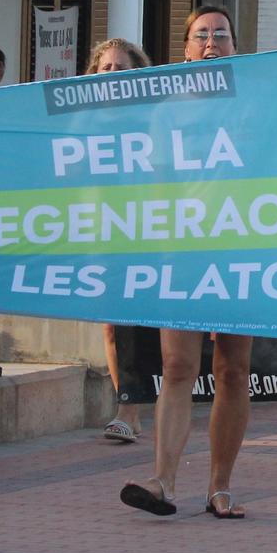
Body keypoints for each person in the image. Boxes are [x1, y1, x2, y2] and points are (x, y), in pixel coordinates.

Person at [120, 6, 258, 519]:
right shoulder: (166, 109)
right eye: (201, 34)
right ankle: (163, 481)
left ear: (235, 47)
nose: (211, 42)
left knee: (232, 368)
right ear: (185, 48)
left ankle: (220, 486)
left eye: (222, 33)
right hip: (181, 250)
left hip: (242, 245)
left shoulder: (252, 101)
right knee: (177, 365)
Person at [88, 37, 155, 445]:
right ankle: (128, 405)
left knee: (132, 318)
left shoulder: (151, 120)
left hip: (143, 231)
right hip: (99, 230)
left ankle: (128, 409)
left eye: (122, 69)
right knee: (112, 326)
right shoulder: (80, 122)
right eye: (105, 69)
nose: (112, 75)